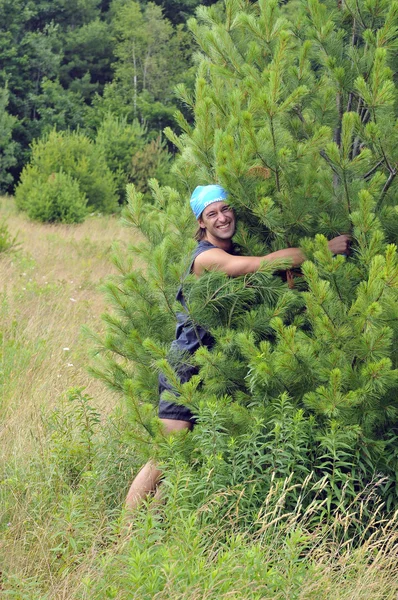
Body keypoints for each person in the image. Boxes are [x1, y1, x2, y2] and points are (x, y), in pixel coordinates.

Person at [125, 184, 351, 511]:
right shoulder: (206, 257)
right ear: (201, 222)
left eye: (225, 209)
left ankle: (151, 530)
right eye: (211, 213)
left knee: (182, 459)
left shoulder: (229, 251)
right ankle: (123, 533)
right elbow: (260, 264)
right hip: (186, 367)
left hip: (212, 367)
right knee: (166, 455)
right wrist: (323, 249)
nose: (221, 217)